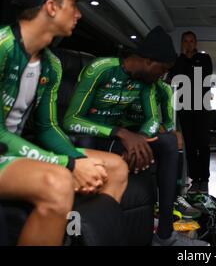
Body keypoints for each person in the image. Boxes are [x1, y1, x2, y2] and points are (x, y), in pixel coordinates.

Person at [0, 0, 128, 246]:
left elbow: (46, 127)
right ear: (50, 7)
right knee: (58, 182)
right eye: (73, 4)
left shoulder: (52, 65)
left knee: (116, 167)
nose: (79, 14)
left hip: (16, 150)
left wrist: (76, 160)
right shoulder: (3, 48)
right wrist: (68, 163)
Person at [63, 26, 207, 246]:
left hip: (118, 141)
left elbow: (152, 120)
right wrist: (122, 133)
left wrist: (138, 139)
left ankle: (165, 234)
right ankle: (79, 229)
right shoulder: (100, 69)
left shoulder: (147, 82)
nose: (163, 76)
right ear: (149, 61)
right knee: (85, 140)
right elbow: (71, 120)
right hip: (89, 139)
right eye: (162, 70)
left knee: (168, 141)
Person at [168, 31, 213, 194]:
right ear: (182, 43)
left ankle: (205, 179)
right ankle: (195, 179)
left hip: (202, 107)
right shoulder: (177, 61)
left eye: (191, 41)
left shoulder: (204, 58)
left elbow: (202, 79)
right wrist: (184, 59)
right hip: (184, 108)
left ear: (196, 43)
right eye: (185, 41)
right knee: (191, 145)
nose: (188, 44)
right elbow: (174, 80)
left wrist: (189, 61)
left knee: (203, 144)